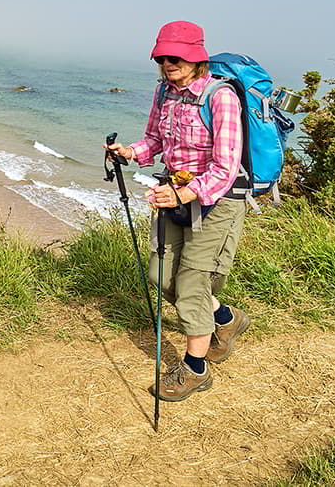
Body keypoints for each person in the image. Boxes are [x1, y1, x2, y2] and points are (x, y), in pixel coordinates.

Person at [107, 21, 253, 402]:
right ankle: (225, 318)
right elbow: (156, 139)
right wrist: (132, 152)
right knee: (160, 274)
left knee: (191, 284)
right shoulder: (164, 93)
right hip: (174, 191)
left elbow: (225, 165)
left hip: (217, 201)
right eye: (163, 57)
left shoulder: (220, 97)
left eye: (177, 56)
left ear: (196, 57)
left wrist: (185, 194)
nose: (169, 63)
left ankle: (195, 369)